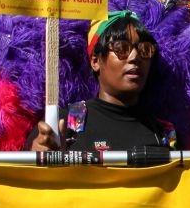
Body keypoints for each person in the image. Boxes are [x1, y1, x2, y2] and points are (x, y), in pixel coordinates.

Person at [32, 10, 176, 152]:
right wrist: (37, 159)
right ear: (95, 61)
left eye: (145, 49)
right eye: (121, 48)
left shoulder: (164, 132)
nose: (135, 57)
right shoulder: (66, 121)